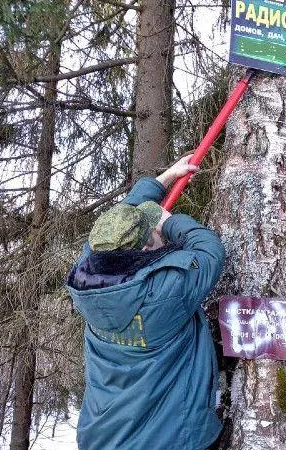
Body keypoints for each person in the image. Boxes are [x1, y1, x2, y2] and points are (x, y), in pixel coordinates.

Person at [66, 155, 225, 450]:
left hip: (104, 438)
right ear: (146, 247)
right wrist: (169, 222)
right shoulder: (166, 290)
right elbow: (210, 250)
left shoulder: (86, 276)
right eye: (153, 233)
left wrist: (164, 179)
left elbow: (118, 220)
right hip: (170, 440)